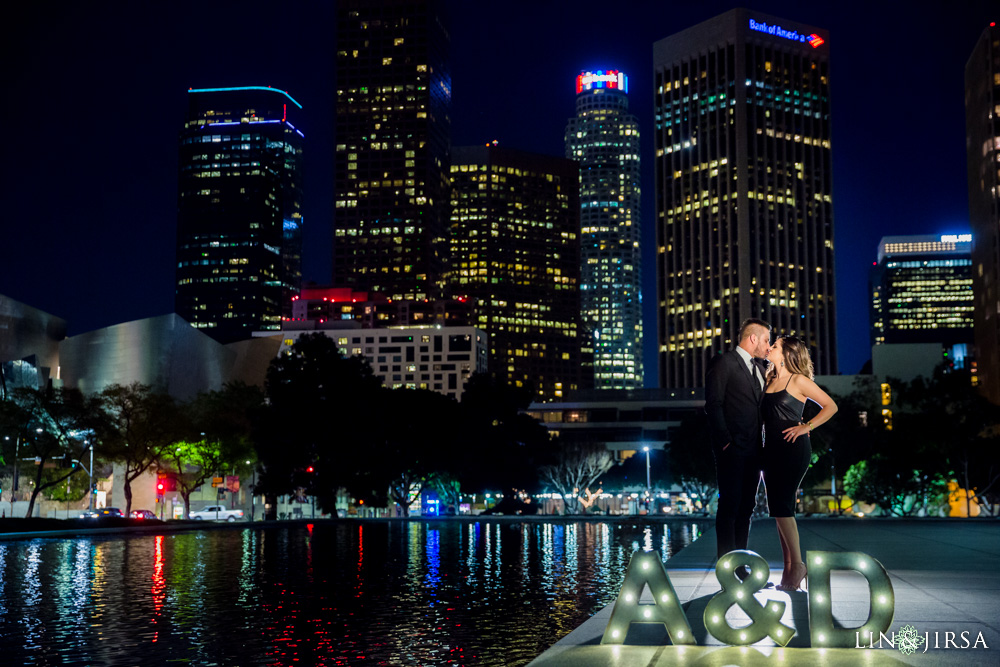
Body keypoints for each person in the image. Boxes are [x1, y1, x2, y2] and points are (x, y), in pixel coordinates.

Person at [761, 335, 838, 591]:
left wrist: (807, 426)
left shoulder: (799, 380)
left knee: (782, 508)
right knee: (778, 510)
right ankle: (788, 573)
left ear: (785, 354)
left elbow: (831, 406)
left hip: (793, 449)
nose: (770, 348)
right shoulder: (769, 378)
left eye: (775, 346)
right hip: (770, 449)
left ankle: (799, 566)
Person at [705, 318, 771, 567]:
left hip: (756, 451)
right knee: (730, 506)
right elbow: (713, 404)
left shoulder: (761, 369)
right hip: (731, 450)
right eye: (766, 340)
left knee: (747, 507)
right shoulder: (724, 362)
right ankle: (726, 568)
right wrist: (725, 443)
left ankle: (741, 565)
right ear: (753, 338)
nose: (768, 346)